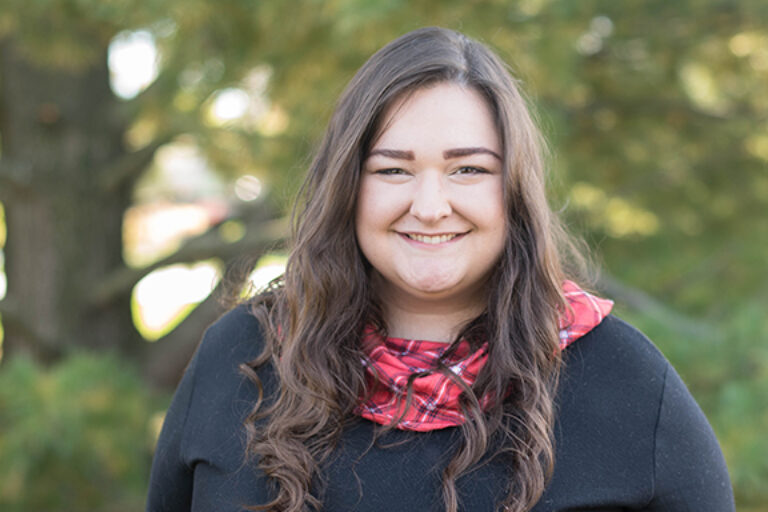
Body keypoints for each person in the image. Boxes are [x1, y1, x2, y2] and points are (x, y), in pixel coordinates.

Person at [147, 27, 735, 512]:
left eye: (469, 170)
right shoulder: (241, 359)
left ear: (514, 191)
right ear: (348, 188)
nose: (430, 207)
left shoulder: (626, 384)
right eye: (393, 171)